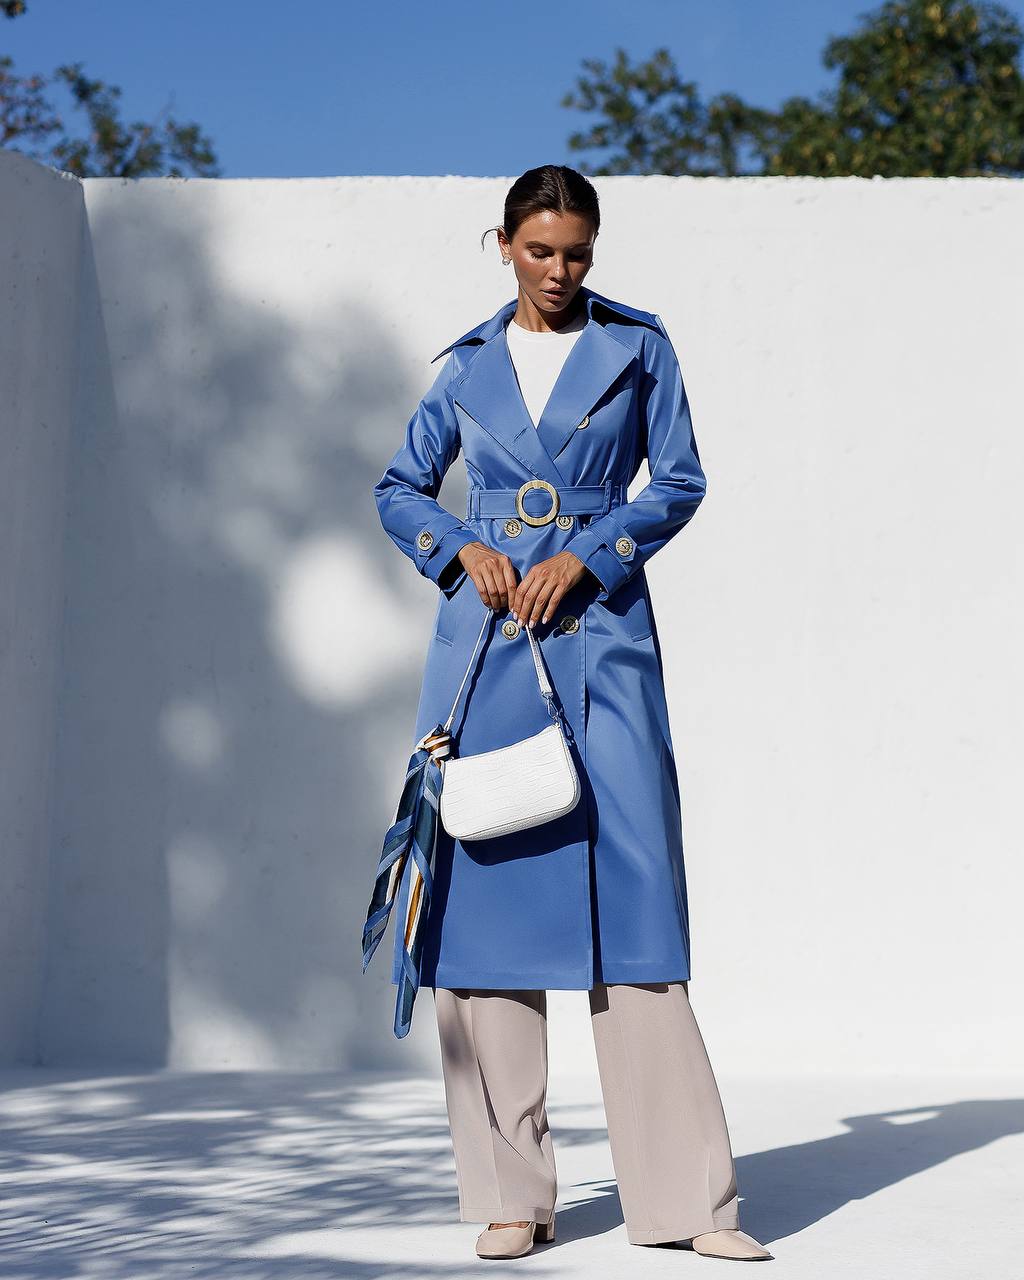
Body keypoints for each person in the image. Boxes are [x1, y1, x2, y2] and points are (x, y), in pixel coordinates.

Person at [372, 164, 773, 1262]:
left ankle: (690, 1205)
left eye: (578, 252)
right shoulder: (462, 368)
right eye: (539, 250)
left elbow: (677, 481)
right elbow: (399, 487)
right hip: (487, 646)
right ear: (499, 243)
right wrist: (459, 547)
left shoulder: (640, 348)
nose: (559, 271)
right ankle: (513, 1193)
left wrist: (593, 558)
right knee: (485, 908)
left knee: (636, 905)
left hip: (602, 642)